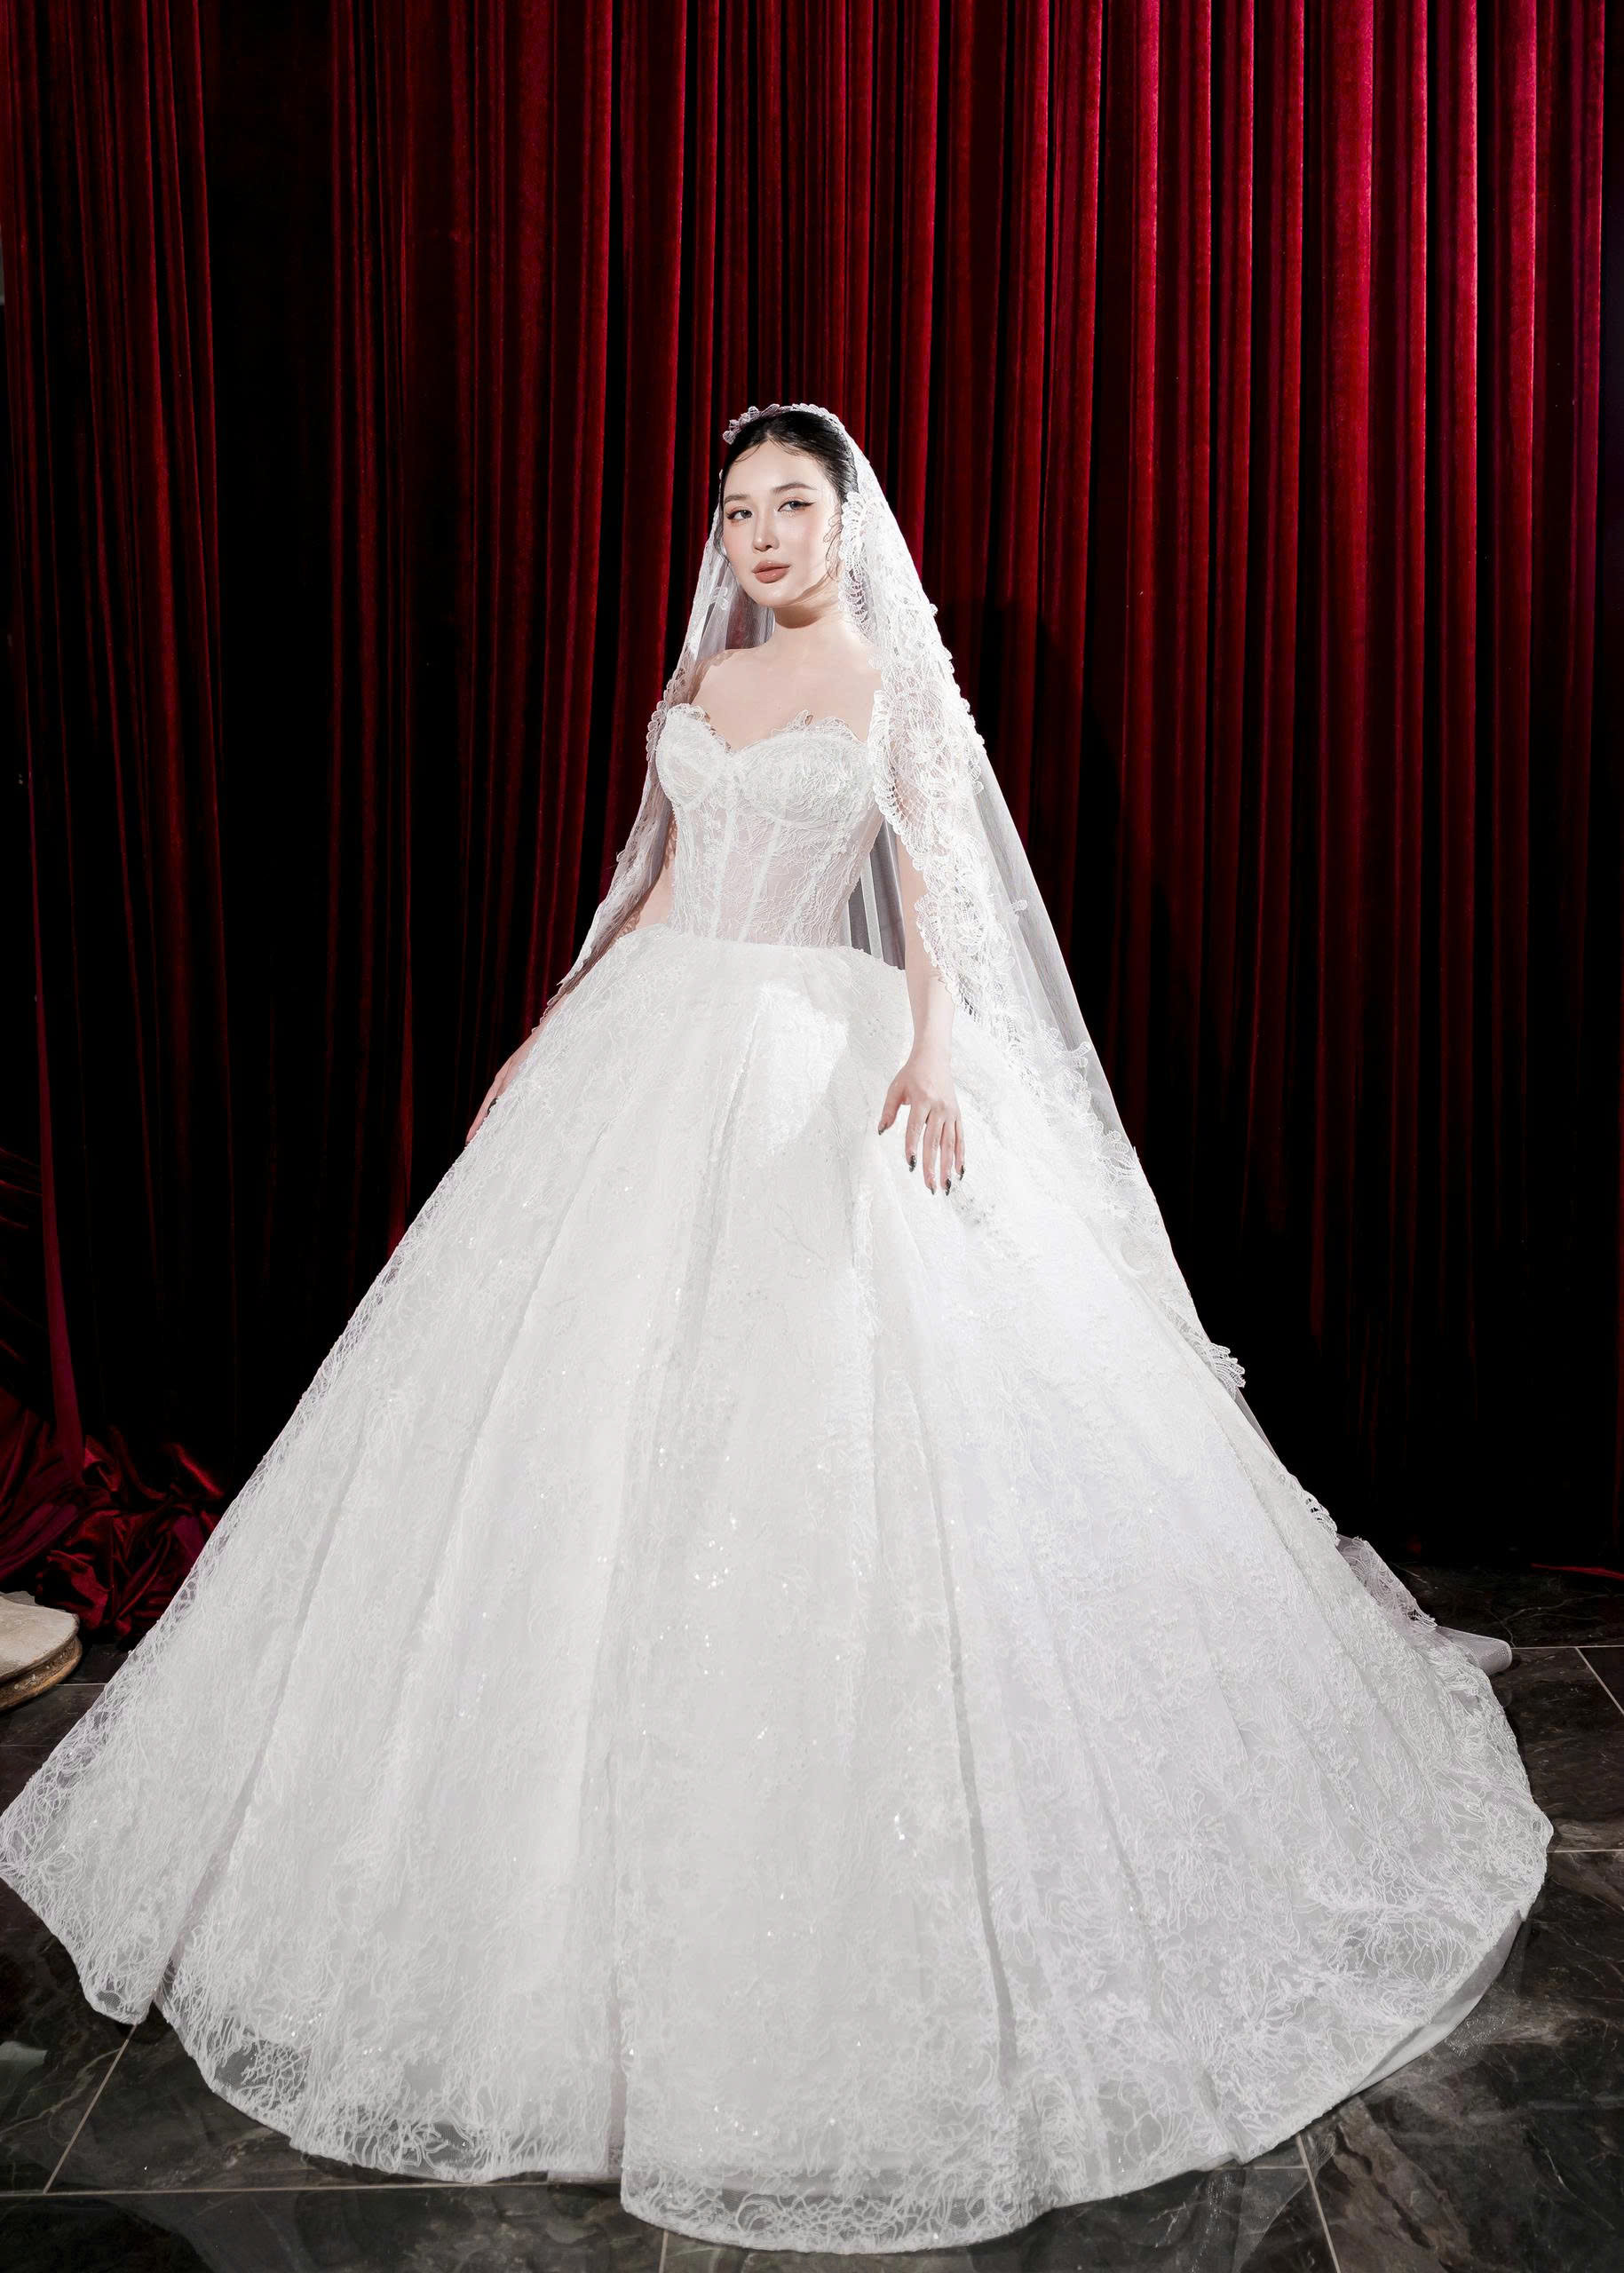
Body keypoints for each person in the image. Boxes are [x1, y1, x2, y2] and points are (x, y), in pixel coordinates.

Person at [0, 401, 1549, 2254]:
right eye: (737, 510)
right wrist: (548, 1031)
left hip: (817, 1052)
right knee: (554, 1436)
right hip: (653, 1042)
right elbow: (658, 880)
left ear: (845, 520)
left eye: (791, 505)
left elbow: (942, 892)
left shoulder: (888, 685)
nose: (759, 535)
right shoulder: (705, 684)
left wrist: (935, 1052)